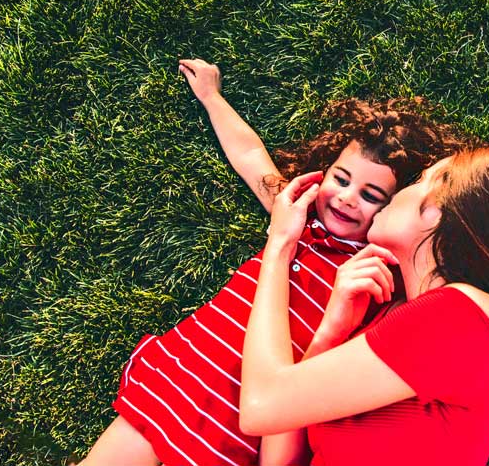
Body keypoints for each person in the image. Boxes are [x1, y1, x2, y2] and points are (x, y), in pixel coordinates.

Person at [78, 60, 463, 466]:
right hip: (185, 375)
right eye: (341, 178)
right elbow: (250, 155)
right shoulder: (296, 215)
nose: (348, 198)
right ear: (323, 171)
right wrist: (211, 97)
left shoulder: (378, 274)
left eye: (371, 196)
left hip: (245, 419)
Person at [239, 146, 489, 465]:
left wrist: (279, 246)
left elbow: (259, 405)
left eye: (417, 180)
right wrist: (331, 331)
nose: (395, 195)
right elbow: (279, 450)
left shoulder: (464, 315)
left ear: (436, 208)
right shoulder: (399, 319)